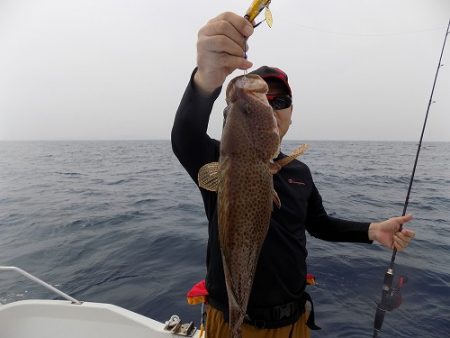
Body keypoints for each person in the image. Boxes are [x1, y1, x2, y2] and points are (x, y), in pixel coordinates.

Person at [171, 12, 416, 338]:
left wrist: (372, 230)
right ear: (229, 117)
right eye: (254, 102)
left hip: (293, 321)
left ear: (290, 115)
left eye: (280, 99)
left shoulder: (299, 171)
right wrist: (206, 77)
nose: (269, 104)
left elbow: (319, 224)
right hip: (228, 320)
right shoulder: (219, 159)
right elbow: (184, 136)